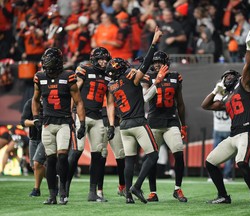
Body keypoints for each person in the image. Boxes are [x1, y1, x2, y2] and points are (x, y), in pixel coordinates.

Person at [201, 30, 250, 205]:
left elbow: (247, 67)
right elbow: (205, 105)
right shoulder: (226, 98)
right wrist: (215, 91)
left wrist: (249, 47)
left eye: (229, 75)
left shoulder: (244, 85)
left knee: (241, 163)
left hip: (247, 131)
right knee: (210, 162)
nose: (227, 77)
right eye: (224, 76)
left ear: (236, 77)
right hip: (233, 135)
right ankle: (223, 196)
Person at [105, 26, 164, 204]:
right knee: (153, 155)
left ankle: (128, 196)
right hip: (138, 122)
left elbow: (109, 105)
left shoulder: (112, 86)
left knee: (129, 160)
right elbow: (145, 65)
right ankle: (136, 186)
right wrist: (153, 43)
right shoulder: (131, 77)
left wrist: (110, 124)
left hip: (123, 125)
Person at [32, 47, 86, 205]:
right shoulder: (39, 77)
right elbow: (35, 99)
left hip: (64, 122)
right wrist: (36, 118)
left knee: (62, 156)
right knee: (50, 159)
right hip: (48, 123)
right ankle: (51, 195)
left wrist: (82, 123)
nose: (45, 64)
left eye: (48, 61)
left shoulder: (68, 76)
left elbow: (78, 101)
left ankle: (63, 191)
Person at [141, 51, 188, 202]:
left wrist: (183, 125)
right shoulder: (149, 76)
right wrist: (157, 80)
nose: (156, 64)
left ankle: (177, 189)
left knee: (179, 152)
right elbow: (145, 97)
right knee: (151, 157)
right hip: (154, 121)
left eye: (159, 62)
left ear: (166, 63)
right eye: (154, 62)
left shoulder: (175, 76)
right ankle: (153, 192)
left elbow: (180, 103)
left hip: (171, 121)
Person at [67, 47, 111, 202]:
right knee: (77, 150)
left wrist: (110, 124)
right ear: (94, 58)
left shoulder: (108, 76)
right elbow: (74, 91)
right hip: (81, 115)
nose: (104, 62)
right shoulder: (84, 70)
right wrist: (71, 113)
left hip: (98, 116)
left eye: (106, 59)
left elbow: (110, 102)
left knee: (98, 154)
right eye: (101, 59)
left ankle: (93, 192)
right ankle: (64, 188)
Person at [21, 98, 46, 197]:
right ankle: (53, 179)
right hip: (33, 138)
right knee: (34, 166)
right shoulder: (30, 102)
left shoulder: (49, 102)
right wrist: (34, 122)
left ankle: (36, 189)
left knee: (37, 163)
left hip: (46, 138)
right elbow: (23, 121)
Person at [209, 90, 233, 182]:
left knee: (216, 154)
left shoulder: (215, 98)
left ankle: (215, 176)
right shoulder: (229, 97)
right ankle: (226, 176)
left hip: (221, 128)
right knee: (227, 154)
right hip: (225, 128)